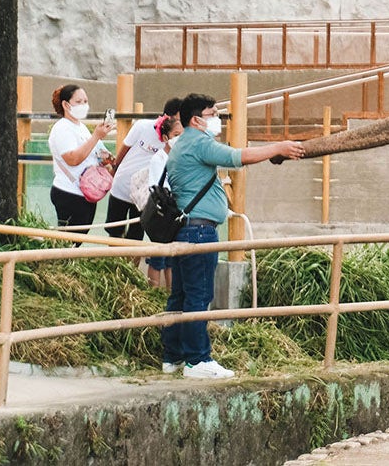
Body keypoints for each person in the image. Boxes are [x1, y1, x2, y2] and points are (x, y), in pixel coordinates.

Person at [162, 92, 303, 379]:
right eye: (213, 114)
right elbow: (238, 157)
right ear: (196, 120)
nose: (218, 119)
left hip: (185, 229)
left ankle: (173, 357)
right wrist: (278, 147)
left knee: (181, 296)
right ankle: (197, 360)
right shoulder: (199, 143)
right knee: (199, 296)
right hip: (200, 232)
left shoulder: (181, 144)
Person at [107, 98, 182, 244]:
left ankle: (130, 260)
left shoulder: (177, 139)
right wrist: (114, 169)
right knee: (114, 230)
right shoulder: (143, 126)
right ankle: (114, 257)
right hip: (122, 185)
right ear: (169, 116)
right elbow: (125, 148)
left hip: (144, 193)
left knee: (136, 234)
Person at [47, 85, 115, 232]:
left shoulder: (81, 127)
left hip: (86, 192)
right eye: (78, 102)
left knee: (77, 238)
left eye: (85, 101)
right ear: (66, 105)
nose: (83, 105)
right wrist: (96, 136)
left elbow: (97, 152)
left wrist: (107, 159)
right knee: (70, 239)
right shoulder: (62, 128)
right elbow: (72, 159)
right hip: (69, 191)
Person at [142, 113, 184, 288]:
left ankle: (170, 293)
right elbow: (156, 186)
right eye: (176, 135)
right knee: (157, 258)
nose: (180, 139)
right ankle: (154, 293)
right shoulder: (159, 158)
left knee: (171, 260)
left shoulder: (180, 158)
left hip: (175, 214)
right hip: (163, 213)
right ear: (166, 138)